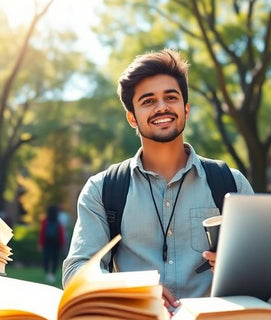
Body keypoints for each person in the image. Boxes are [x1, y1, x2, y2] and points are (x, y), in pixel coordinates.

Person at [62, 48, 254, 310]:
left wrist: (240, 268)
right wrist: (136, 289)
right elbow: (76, 272)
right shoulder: (102, 190)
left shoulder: (232, 184)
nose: (162, 107)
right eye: (148, 101)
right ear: (132, 117)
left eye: (170, 97)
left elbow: (263, 268)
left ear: (186, 109)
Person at [39, 205, 65, 283]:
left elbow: (42, 233)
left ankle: (48, 273)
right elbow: (61, 233)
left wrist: (40, 243)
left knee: (46, 258)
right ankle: (52, 274)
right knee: (55, 259)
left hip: (47, 243)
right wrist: (62, 244)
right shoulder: (58, 221)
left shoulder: (45, 221)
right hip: (56, 243)